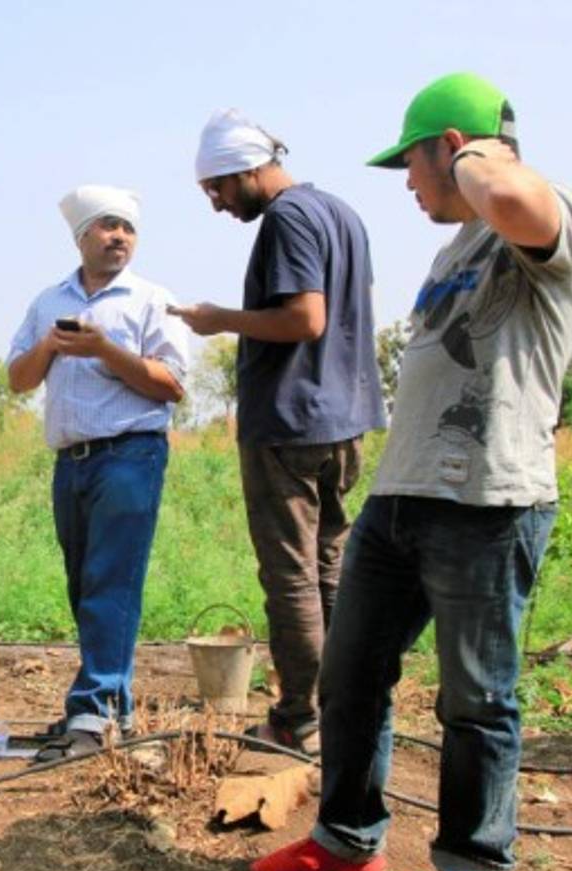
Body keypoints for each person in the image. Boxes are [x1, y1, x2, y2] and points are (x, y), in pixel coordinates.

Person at [251, 73, 572, 871]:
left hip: (488, 503)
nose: (406, 184)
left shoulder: (551, 213)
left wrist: (476, 152)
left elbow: (512, 196)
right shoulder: (453, 251)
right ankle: (345, 840)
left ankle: (474, 870)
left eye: (411, 162)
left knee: (476, 698)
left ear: (454, 148)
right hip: (400, 499)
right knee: (350, 674)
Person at [171, 109, 386, 754]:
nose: (215, 204)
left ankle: (298, 717)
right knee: (328, 568)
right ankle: (342, 704)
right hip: (345, 420)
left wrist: (218, 319)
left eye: (217, 188)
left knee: (291, 575)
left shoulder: (288, 218)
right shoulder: (341, 213)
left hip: (292, 423)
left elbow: (305, 319)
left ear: (246, 169)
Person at [7, 184, 188, 759]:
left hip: (130, 454)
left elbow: (173, 384)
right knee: (86, 586)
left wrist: (105, 350)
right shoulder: (47, 302)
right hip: (73, 460)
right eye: (107, 227)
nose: (119, 237)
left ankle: (93, 710)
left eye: (127, 228)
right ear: (80, 236)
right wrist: (52, 347)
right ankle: (112, 711)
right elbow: (18, 378)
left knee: (111, 583)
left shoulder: (151, 300)